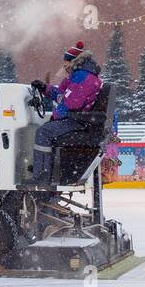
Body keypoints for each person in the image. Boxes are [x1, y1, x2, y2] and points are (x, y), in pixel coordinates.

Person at [28, 41, 103, 184]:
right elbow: (63, 95)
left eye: (66, 62)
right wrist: (45, 88)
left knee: (43, 132)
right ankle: (44, 168)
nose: (64, 66)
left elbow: (71, 103)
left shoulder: (83, 78)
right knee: (46, 129)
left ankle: (41, 175)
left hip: (78, 121)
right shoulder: (78, 76)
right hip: (76, 119)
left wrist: (55, 117)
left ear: (74, 61)